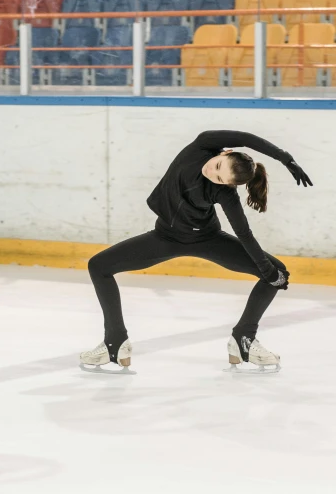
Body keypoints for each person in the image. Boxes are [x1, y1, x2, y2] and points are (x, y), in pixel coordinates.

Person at [79, 130, 313, 374]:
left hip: (207, 239)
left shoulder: (224, 192)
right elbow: (247, 139)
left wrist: (268, 272)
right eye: (218, 165)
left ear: (227, 185)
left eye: (220, 178)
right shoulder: (202, 146)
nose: (212, 173)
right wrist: (285, 158)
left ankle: (244, 339)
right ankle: (115, 342)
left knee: (278, 272)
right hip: (165, 238)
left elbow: (244, 234)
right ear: (225, 151)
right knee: (99, 265)